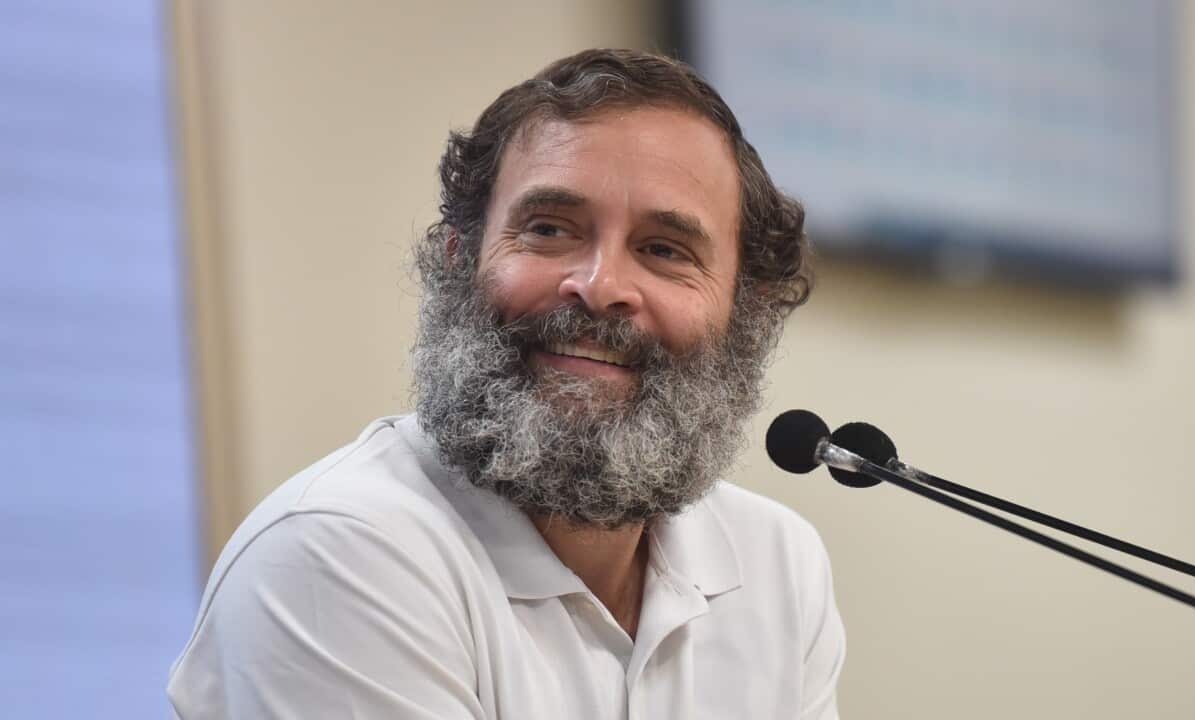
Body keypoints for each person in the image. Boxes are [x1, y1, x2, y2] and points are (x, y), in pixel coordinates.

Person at [167, 48, 844, 719]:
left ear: (743, 310)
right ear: (461, 264)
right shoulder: (335, 552)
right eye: (550, 229)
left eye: (664, 250)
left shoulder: (777, 564)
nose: (600, 286)